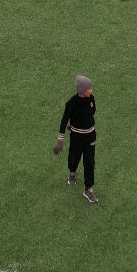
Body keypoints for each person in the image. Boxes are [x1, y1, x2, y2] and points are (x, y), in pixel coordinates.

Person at [54, 74, 98, 203]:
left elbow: (92, 112)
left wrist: (77, 123)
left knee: (89, 162)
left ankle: (88, 189)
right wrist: (60, 140)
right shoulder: (71, 103)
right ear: (82, 91)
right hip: (77, 137)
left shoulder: (91, 99)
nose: (92, 90)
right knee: (74, 157)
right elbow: (64, 121)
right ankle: (72, 174)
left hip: (90, 136)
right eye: (89, 88)